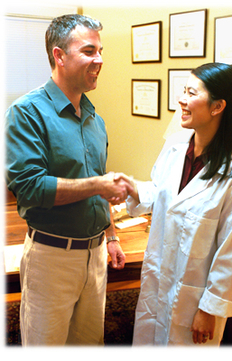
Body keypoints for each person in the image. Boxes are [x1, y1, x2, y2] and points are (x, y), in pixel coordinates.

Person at [5, 14, 132, 346]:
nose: (99, 60)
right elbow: (30, 188)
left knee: (89, 345)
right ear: (59, 55)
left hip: (96, 254)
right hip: (52, 258)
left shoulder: (95, 119)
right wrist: (98, 185)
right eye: (89, 51)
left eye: (100, 51)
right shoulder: (26, 112)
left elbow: (98, 184)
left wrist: (112, 236)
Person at [116, 63, 232, 345]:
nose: (181, 99)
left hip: (196, 303)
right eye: (183, 90)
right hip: (158, 282)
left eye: (191, 92)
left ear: (217, 107)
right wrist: (133, 189)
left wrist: (209, 309)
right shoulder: (176, 148)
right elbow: (162, 193)